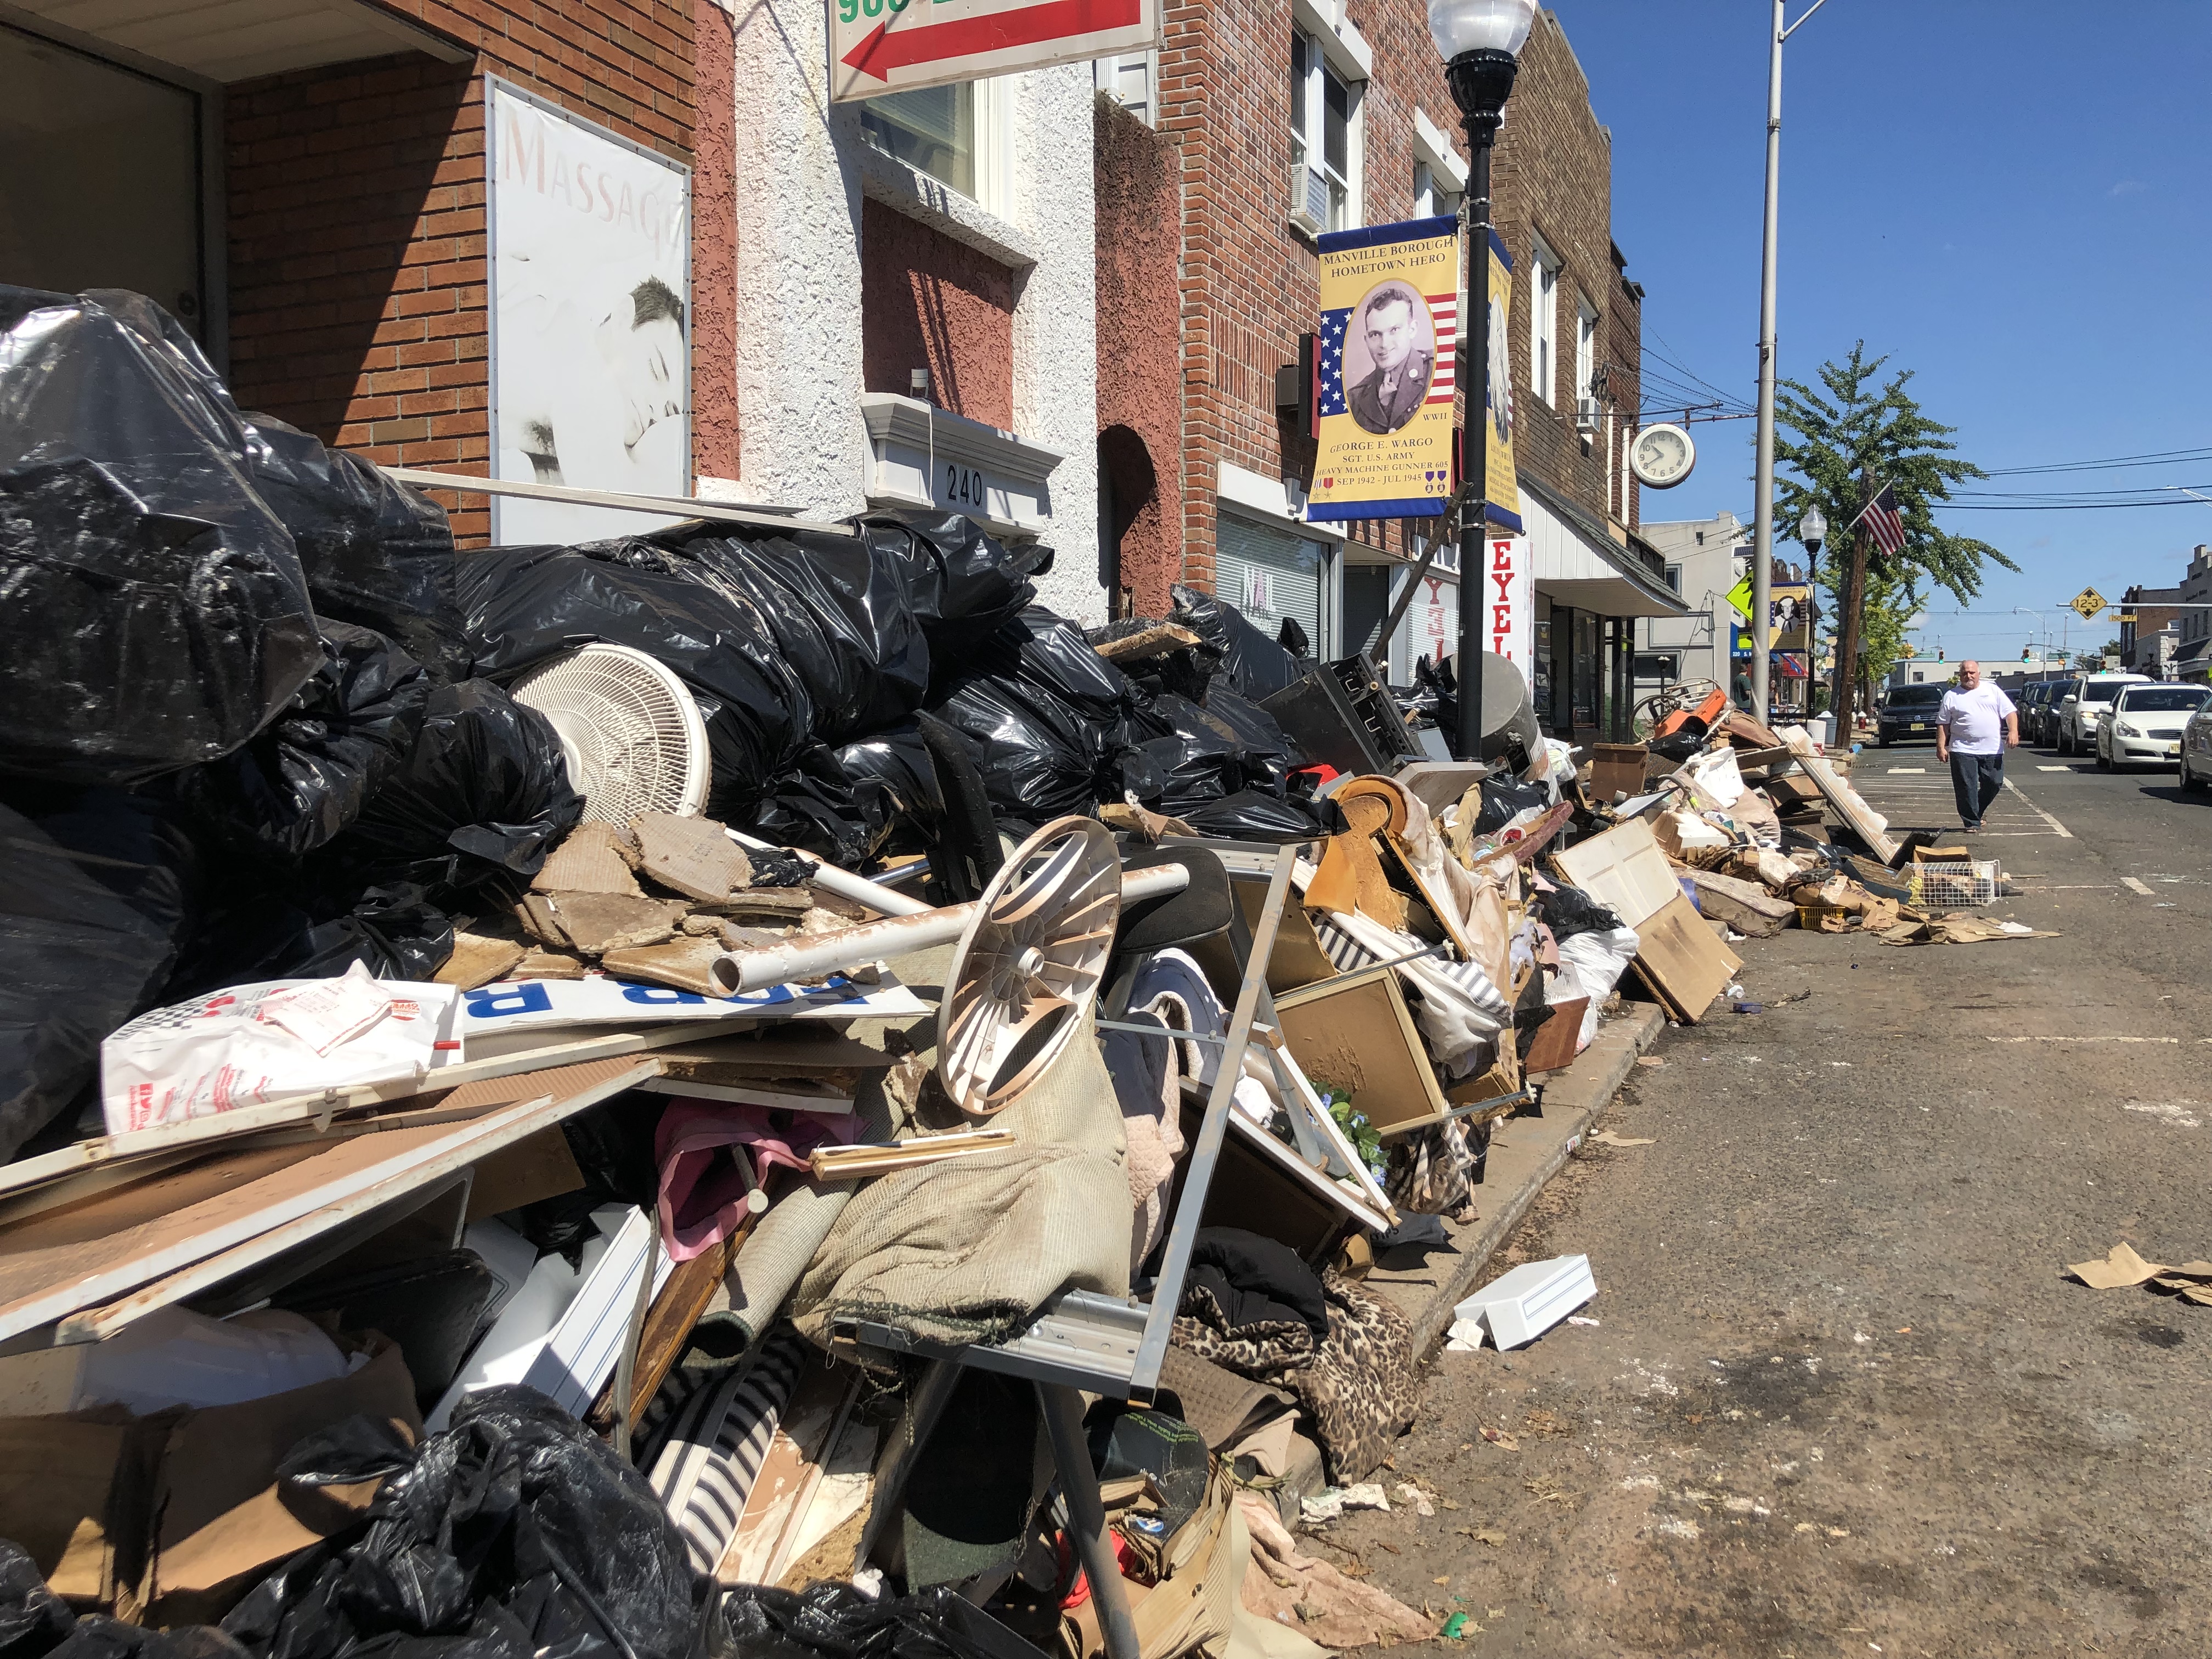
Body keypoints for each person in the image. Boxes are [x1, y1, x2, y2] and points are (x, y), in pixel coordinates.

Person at [1935, 659, 2018, 832]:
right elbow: (1943, 723)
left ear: (1979, 674)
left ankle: (1976, 812)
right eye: (1965, 673)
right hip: (1962, 748)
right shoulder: (1951, 696)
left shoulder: (1992, 690)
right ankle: (1971, 822)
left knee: (1994, 782)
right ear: (1960, 675)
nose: (1969, 676)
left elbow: (2010, 712)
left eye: (1972, 672)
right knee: (1967, 786)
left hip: (1992, 748)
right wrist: (1941, 747)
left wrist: (2013, 731)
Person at [1347, 285, 1432, 435]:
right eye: (1375, 334)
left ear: (1412, 330)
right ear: (1366, 340)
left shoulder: (1435, 371)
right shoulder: (1355, 398)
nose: (1384, 344)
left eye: (1394, 330)